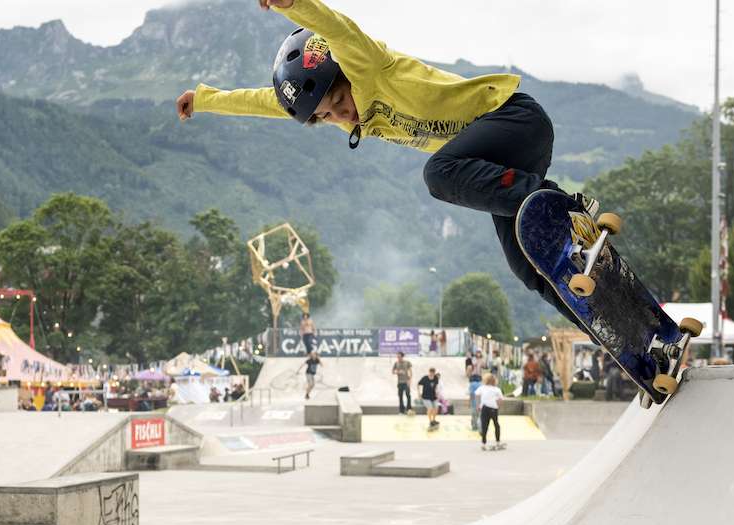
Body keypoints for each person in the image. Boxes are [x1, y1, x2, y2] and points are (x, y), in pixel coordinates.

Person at [176, 0, 600, 333]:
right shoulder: (338, 115)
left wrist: (294, 6)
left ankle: (560, 204)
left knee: (439, 173)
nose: (342, 117)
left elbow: (338, 31)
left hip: (513, 119)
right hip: (496, 167)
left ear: (347, 77)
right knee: (527, 264)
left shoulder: (368, 66)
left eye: (340, 102)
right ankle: (610, 326)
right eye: (327, 117)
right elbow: (266, 103)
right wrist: (206, 99)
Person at [475, 374, 505, 451]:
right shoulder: (497, 389)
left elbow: (476, 395)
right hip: (493, 408)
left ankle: (483, 443)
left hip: (484, 408)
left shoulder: (482, 388)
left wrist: (478, 405)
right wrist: (498, 406)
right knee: (496, 425)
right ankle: (497, 442)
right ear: (494, 381)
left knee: (485, 426)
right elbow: (501, 399)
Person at [468, 364, 482, 431]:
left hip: (474, 402)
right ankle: (480, 427)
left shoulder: (471, 384)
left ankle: (474, 427)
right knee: (480, 416)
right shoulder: (481, 384)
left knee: (474, 416)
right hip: (481, 403)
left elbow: (471, 394)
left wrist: (469, 402)